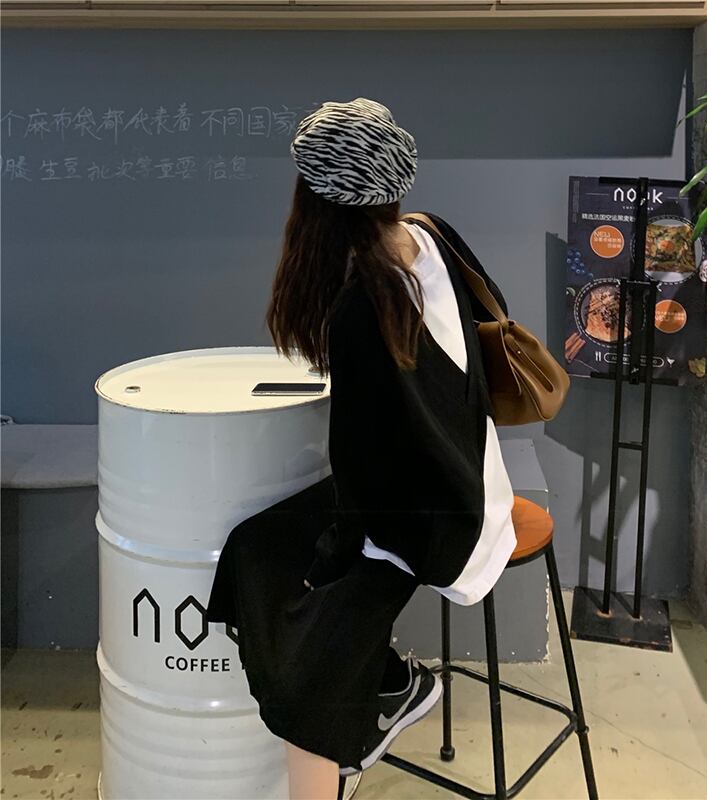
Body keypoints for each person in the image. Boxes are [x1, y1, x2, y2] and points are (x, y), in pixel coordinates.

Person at [207, 97, 517, 800]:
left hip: (434, 523)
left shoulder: (361, 306)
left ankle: (356, 708)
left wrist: (329, 564)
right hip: (466, 477)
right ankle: (390, 685)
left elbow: (361, 481)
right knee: (255, 549)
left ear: (315, 202)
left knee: (304, 683)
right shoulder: (430, 236)